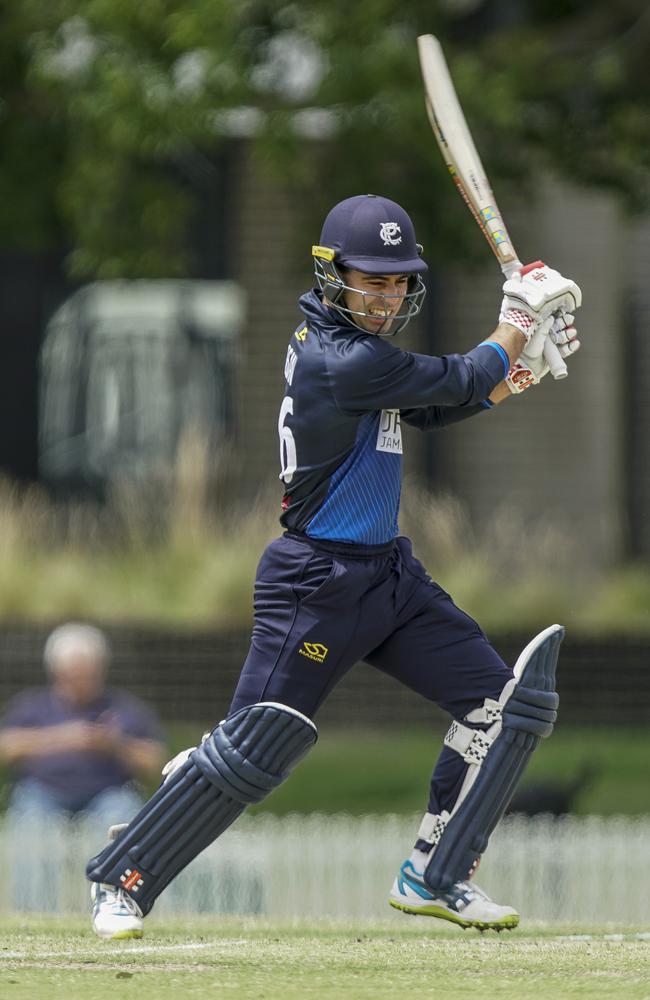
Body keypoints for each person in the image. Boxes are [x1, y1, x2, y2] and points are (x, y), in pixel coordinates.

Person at [87, 194, 581, 939]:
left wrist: (515, 371)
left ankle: (437, 872)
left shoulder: (363, 357)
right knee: (254, 748)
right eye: (369, 280)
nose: (383, 297)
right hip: (313, 583)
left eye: (395, 283)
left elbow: (435, 404)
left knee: (504, 707)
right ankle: (122, 876)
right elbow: (452, 379)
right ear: (331, 275)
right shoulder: (337, 356)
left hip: (387, 578)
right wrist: (515, 325)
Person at [0, 623, 165, 913]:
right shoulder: (31, 707)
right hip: (43, 794)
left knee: (122, 813)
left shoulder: (125, 708)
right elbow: (7, 747)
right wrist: (64, 738)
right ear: (57, 672)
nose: (80, 681)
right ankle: (34, 912)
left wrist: (114, 745)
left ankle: (118, 903)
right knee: (31, 820)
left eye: (87, 673)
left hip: (107, 795)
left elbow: (155, 763)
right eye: (73, 674)